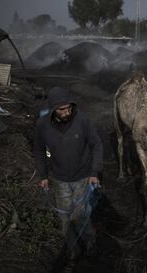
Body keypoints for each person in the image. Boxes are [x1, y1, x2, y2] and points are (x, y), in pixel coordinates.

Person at [34, 86, 103, 260]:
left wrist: (94, 172)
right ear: (52, 110)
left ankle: (90, 242)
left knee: (80, 216)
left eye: (69, 108)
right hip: (59, 178)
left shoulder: (82, 120)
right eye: (61, 109)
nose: (66, 112)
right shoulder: (42, 125)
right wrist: (43, 175)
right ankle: (72, 249)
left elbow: (96, 145)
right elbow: (39, 150)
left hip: (82, 176)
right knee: (64, 219)